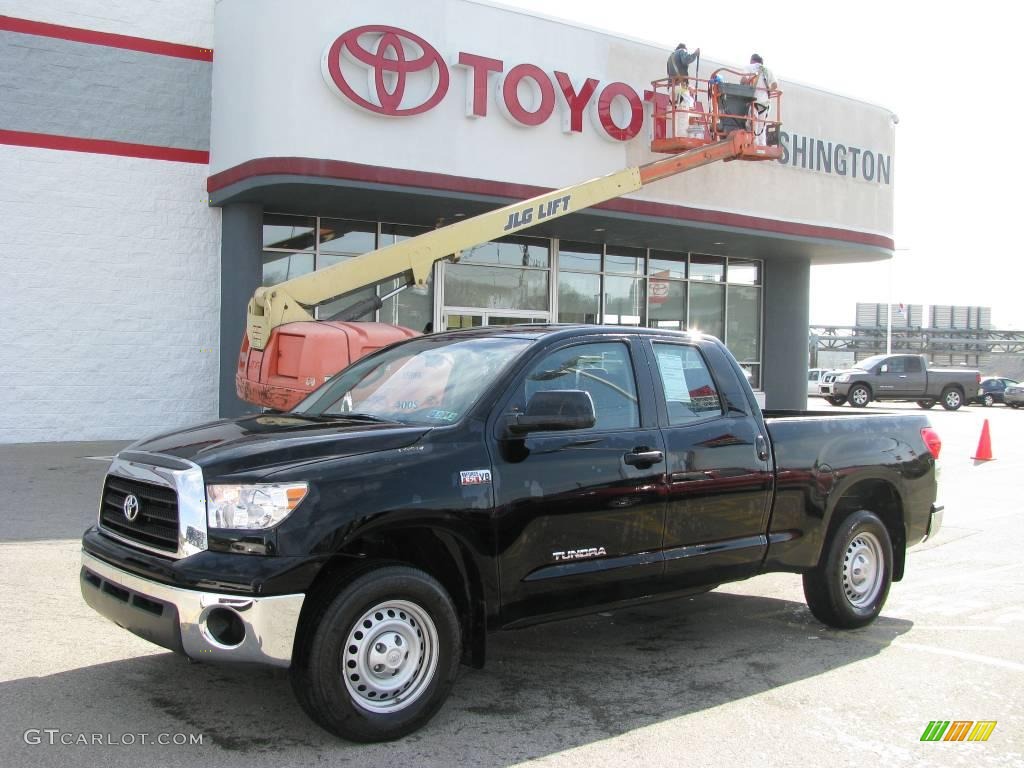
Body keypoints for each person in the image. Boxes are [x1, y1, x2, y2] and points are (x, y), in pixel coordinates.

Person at [743, 53, 779, 145]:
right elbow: (775, 85)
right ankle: (761, 145)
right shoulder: (767, 70)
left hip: (754, 101)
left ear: (752, 60)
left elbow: (743, 80)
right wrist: (767, 90)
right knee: (761, 128)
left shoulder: (749, 67)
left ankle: (753, 143)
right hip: (765, 103)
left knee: (751, 124)